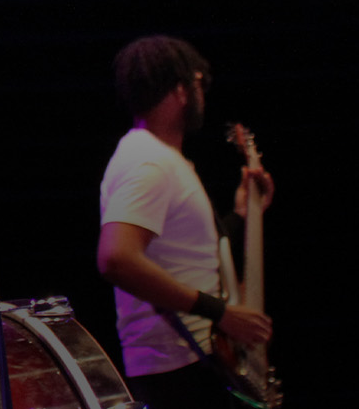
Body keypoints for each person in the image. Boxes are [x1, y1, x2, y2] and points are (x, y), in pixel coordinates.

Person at [96, 35, 274, 408]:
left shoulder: (161, 158)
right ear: (181, 89)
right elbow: (116, 258)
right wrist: (220, 313)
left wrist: (240, 216)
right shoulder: (149, 162)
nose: (202, 95)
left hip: (191, 363)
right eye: (199, 84)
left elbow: (188, 256)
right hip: (176, 372)